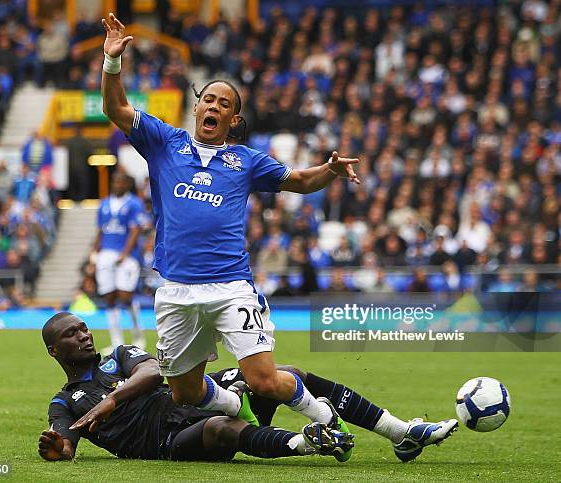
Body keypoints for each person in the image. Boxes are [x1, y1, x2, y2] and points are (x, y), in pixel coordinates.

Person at [100, 13, 362, 452]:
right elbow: (115, 109)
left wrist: (329, 171)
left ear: (233, 119)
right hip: (175, 290)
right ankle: (233, 405)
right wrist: (111, 62)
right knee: (185, 392)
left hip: (230, 286)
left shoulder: (246, 160)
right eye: (210, 100)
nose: (215, 107)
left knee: (264, 378)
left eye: (225, 104)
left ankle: (326, 419)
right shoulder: (165, 142)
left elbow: (298, 181)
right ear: (197, 106)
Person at [38, 312, 354, 463]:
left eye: (84, 328)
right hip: (166, 441)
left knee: (281, 374)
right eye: (71, 334)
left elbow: (152, 372)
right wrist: (57, 450)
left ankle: (360, 420)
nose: (84, 336)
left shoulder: (119, 356)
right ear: (54, 351)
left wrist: (113, 400)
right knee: (221, 427)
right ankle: (309, 443)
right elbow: (66, 446)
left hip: (189, 400)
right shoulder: (64, 402)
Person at [91, 171, 146, 351]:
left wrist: (125, 253)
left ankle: (138, 336)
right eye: (115, 181)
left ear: (127, 184)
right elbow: (100, 230)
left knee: (125, 295)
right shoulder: (104, 204)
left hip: (127, 256)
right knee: (109, 297)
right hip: (105, 253)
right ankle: (116, 342)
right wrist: (94, 252)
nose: (117, 184)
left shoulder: (134, 204)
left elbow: (136, 229)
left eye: (121, 182)